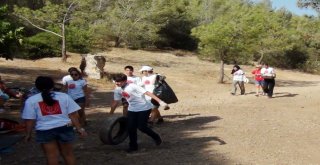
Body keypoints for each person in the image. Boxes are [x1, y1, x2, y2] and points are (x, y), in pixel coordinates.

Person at [22, 76, 87, 165]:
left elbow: (30, 120)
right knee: (68, 154)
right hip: (65, 128)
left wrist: (28, 134)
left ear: (37, 87)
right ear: (52, 85)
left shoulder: (31, 101)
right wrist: (79, 128)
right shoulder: (64, 96)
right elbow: (73, 115)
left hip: (45, 130)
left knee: (52, 156)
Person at [109, 73, 168, 153]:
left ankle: (156, 137)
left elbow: (147, 93)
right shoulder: (117, 90)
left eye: (119, 81)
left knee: (141, 127)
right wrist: (111, 113)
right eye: (116, 81)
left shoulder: (132, 86)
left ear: (125, 81)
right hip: (132, 109)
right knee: (131, 128)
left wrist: (161, 102)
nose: (117, 83)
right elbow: (116, 101)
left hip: (144, 107)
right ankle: (133, 147)